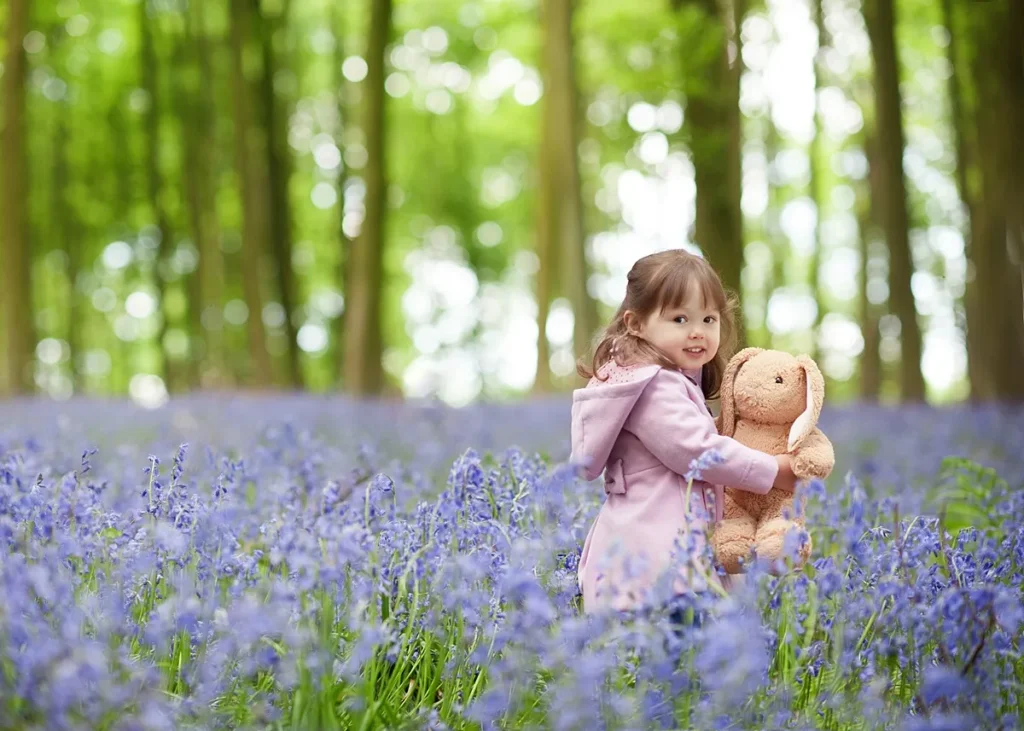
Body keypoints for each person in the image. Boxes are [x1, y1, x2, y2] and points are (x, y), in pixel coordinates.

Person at [570, 249, 798, 616]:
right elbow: (696, 451)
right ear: (636, 323)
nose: (698, 331)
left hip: (660, 562)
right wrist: (775, 471)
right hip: (658, 566)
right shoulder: (653, 386)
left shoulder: (666, 380)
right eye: (679, 318)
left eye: (709, 318)